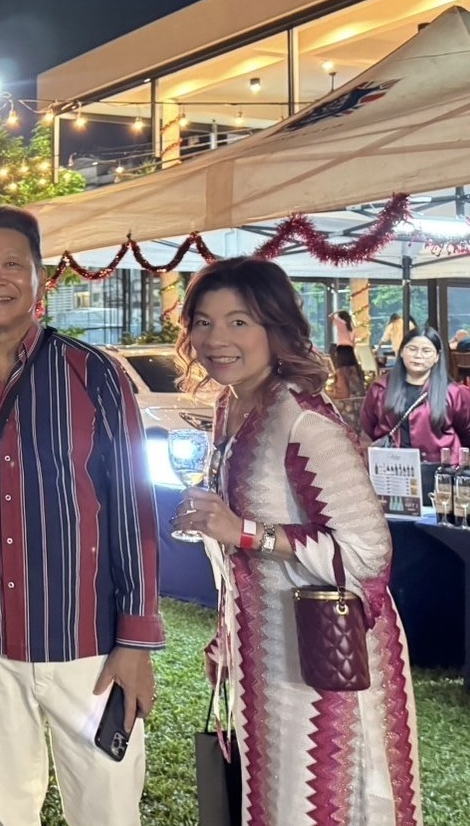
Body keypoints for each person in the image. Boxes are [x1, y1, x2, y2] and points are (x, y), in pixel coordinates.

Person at [0, 207, 163, 826]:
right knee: (3, 808)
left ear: (40, 277)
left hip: (89, 644)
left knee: (107, 809)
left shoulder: (94, 375)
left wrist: (136, 641)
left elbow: (132, 507)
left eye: (12, 264)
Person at [174, 257, 422, 825]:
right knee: (270, 796)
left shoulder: (303, 420)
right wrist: (226, 639)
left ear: (276, 327)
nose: (216, 339)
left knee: (320, 801)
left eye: (239, 322)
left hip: (323, 659)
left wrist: (243, 531)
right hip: (262, 652)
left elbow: (366, 552)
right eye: (203, 322)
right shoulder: (232, 407)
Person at [361, 326, 470, 462]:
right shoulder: (380, 389)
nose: (418, 355)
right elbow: (369, 426)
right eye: (412, 349)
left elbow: (467, 433)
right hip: (395, 466)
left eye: (426, 351)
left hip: (441, 468)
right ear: (401, 352)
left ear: (437, 357)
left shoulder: (454, 392)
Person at [329, 310, 365, 400]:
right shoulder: (352, 328)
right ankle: (355, 393)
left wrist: (338, 311)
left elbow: (330, 316)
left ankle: (344, 394)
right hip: (350, 350)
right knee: (352, 372)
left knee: (341, 372)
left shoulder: (341, 323)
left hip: (342, 350)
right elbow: (354, 343)